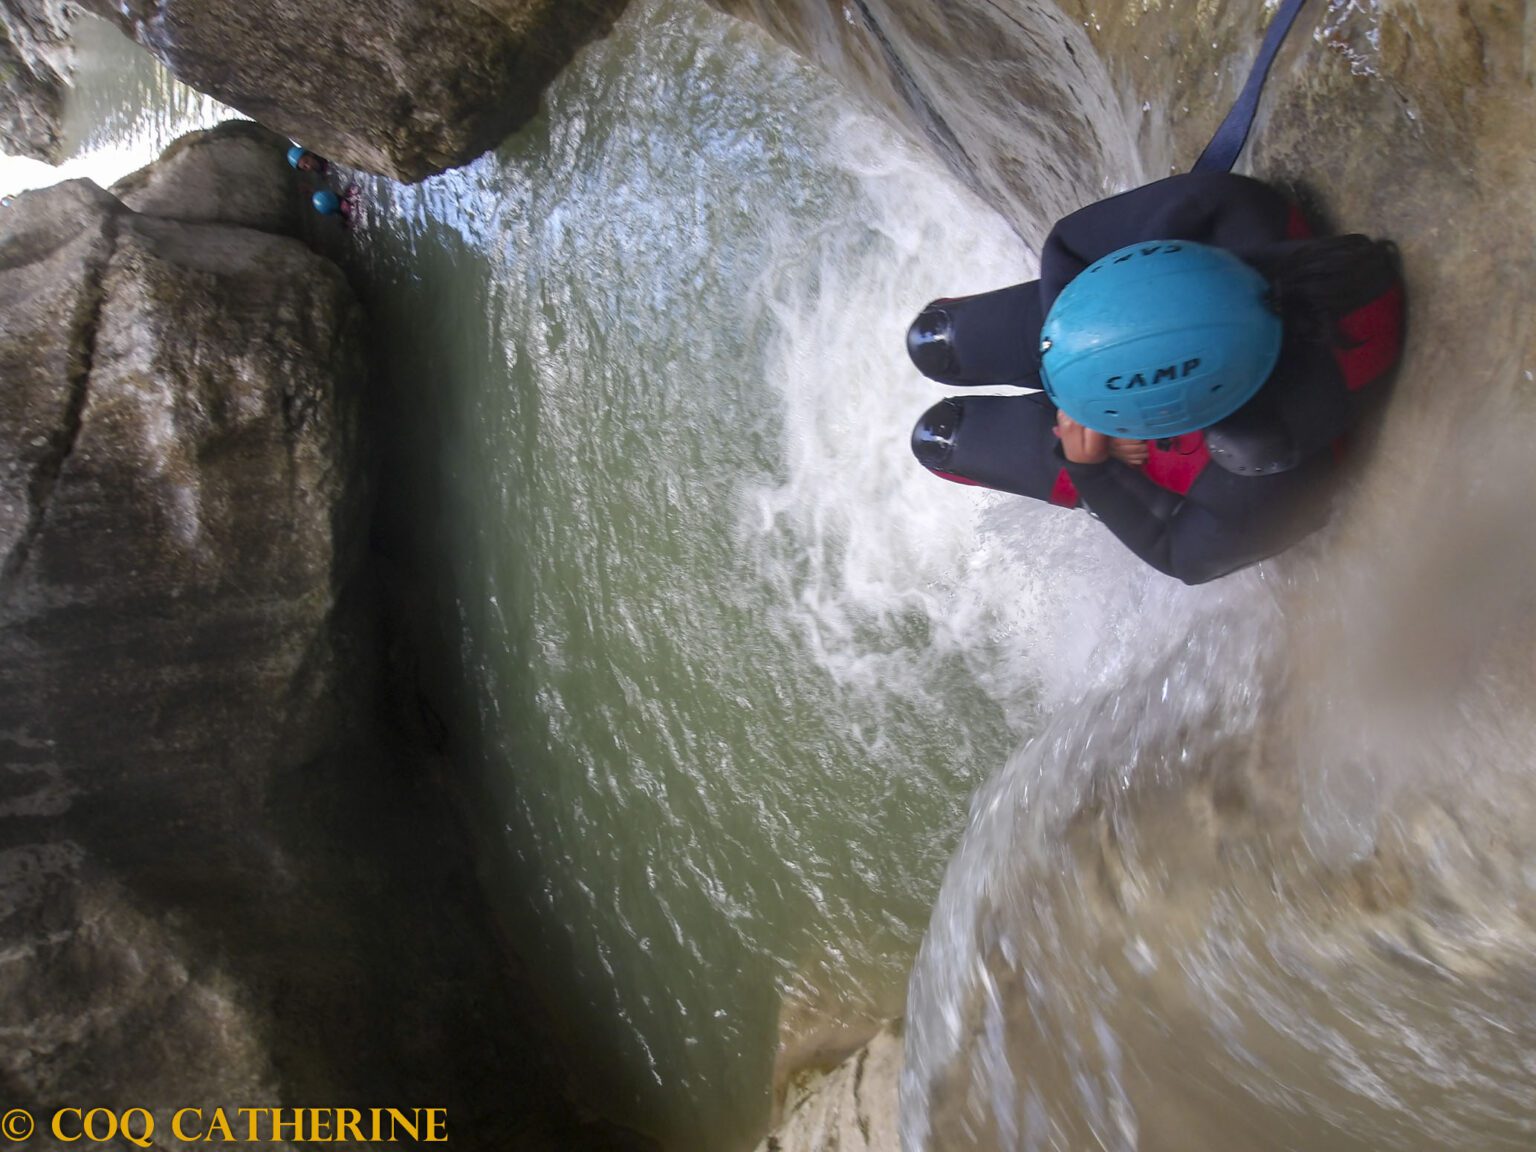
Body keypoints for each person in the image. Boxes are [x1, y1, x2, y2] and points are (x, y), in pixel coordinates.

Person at [907, 171, 1404, 585]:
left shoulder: (1259, 471)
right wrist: (1090, 332)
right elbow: (1075, 247)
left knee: (941, 439)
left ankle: (1099, 416)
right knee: (937, 342)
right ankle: (1098, 346)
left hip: (1214, 419)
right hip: (1204, 324)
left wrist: (1093, 468)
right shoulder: (1226, 216)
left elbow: (1180, 555)